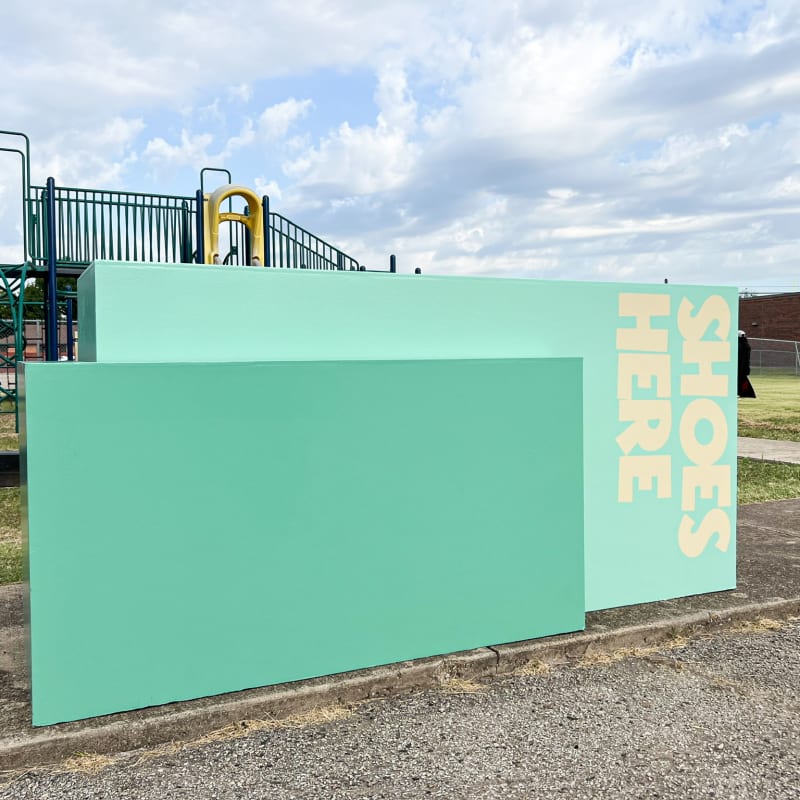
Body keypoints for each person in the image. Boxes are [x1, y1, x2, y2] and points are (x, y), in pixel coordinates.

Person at [738, 331, 756, 398]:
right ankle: (745, 393)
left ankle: (744, 393)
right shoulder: (746, 345)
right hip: (745, 366)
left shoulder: (740, 345)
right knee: (743, 380)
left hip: (741, 366)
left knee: (741, 381)